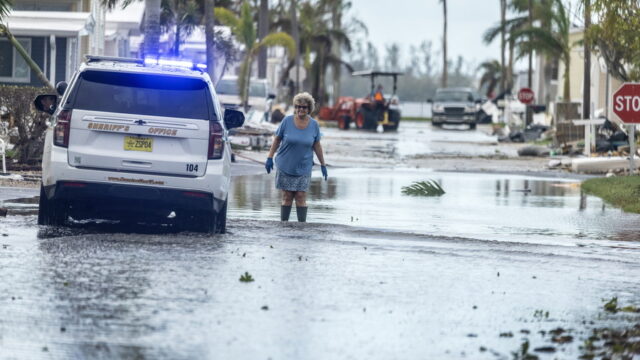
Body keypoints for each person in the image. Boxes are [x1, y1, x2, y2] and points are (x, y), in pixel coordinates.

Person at [265, 92, 328, 222]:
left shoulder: (314, 125)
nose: (300, 109)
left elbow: (317, 145)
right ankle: (284, 226)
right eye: (298, 106)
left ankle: (301, 228)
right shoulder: (287, 121)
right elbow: (277, 139)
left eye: (304, 107)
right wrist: (269, 157)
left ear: (309, 109)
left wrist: (323, 164)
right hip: (285, 164)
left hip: (304, 166)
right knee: (287, 196)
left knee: (300, 196)